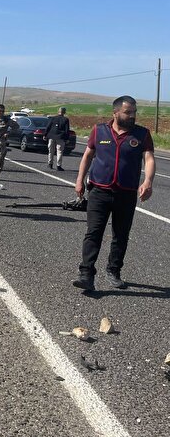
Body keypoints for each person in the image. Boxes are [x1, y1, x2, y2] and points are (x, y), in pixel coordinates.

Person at [72, 96, 155, 291]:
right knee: (93, 232)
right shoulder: (99, 130)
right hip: (99, 190)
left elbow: (149, 158)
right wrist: (79, 179)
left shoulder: (142, 134)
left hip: (125, 193)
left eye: (134, 112)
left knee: (121, 235)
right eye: (128, 112)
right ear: (115, 113)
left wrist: (148, 181)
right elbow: (88, 155)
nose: (132, 115)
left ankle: (114, 270)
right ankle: (86, 274)